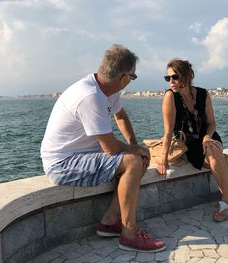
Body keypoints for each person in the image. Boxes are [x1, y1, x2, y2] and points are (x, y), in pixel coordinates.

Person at [40, 44, 165, 252]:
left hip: (82, 155)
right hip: (62, 164)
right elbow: (109, 148)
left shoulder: (106, 88)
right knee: (133, 161)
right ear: (124, 78)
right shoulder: (91, 96)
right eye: (133, 77)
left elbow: (121, 117)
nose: (131, 82)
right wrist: (134, 151)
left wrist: (134, 145)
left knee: (138, 158)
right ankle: (129, 235)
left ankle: (109, 222)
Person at [157, 58, 228, 222]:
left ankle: (225, 200)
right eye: (168, 78)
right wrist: (163, 158)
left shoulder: (203, 94)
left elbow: (212, 123)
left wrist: (207, 137)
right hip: (189, 144)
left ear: (186, 77)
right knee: (227, 162)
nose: (171, 81)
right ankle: (227, 197)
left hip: (208, 136)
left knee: (215, 151)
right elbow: (167, 132)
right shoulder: (170, 97)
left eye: (175, 77)